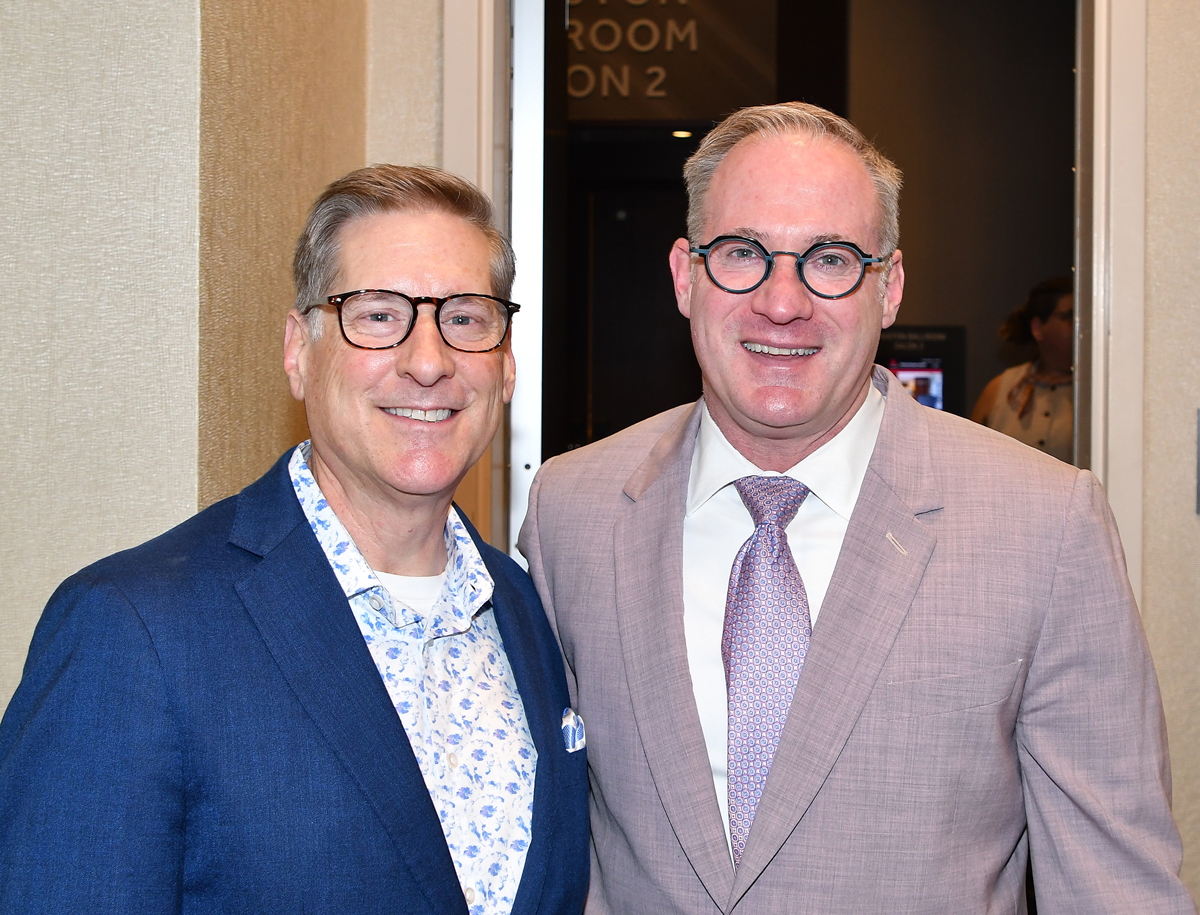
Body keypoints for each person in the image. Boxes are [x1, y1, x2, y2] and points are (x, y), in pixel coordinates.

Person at [518, 103, 1193, 914]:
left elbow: (1116, 887)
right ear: (685, 276)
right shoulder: (571, 511)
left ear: (890, 286)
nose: (782, 302)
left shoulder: (1046, 527)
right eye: (742, 253)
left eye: (831, 259)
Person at [0, 165, 589, 915]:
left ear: (505, 366)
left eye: (466, 319)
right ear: (297, 351)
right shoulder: (133, 628)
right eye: (378, 315)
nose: (429, 360)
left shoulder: (526, 608)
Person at [971, 276, 1075, 461]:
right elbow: (970, 458)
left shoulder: (1101, 394)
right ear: (1038, 327)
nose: (1080, 326)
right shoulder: (1000, 389)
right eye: (1070, 317)